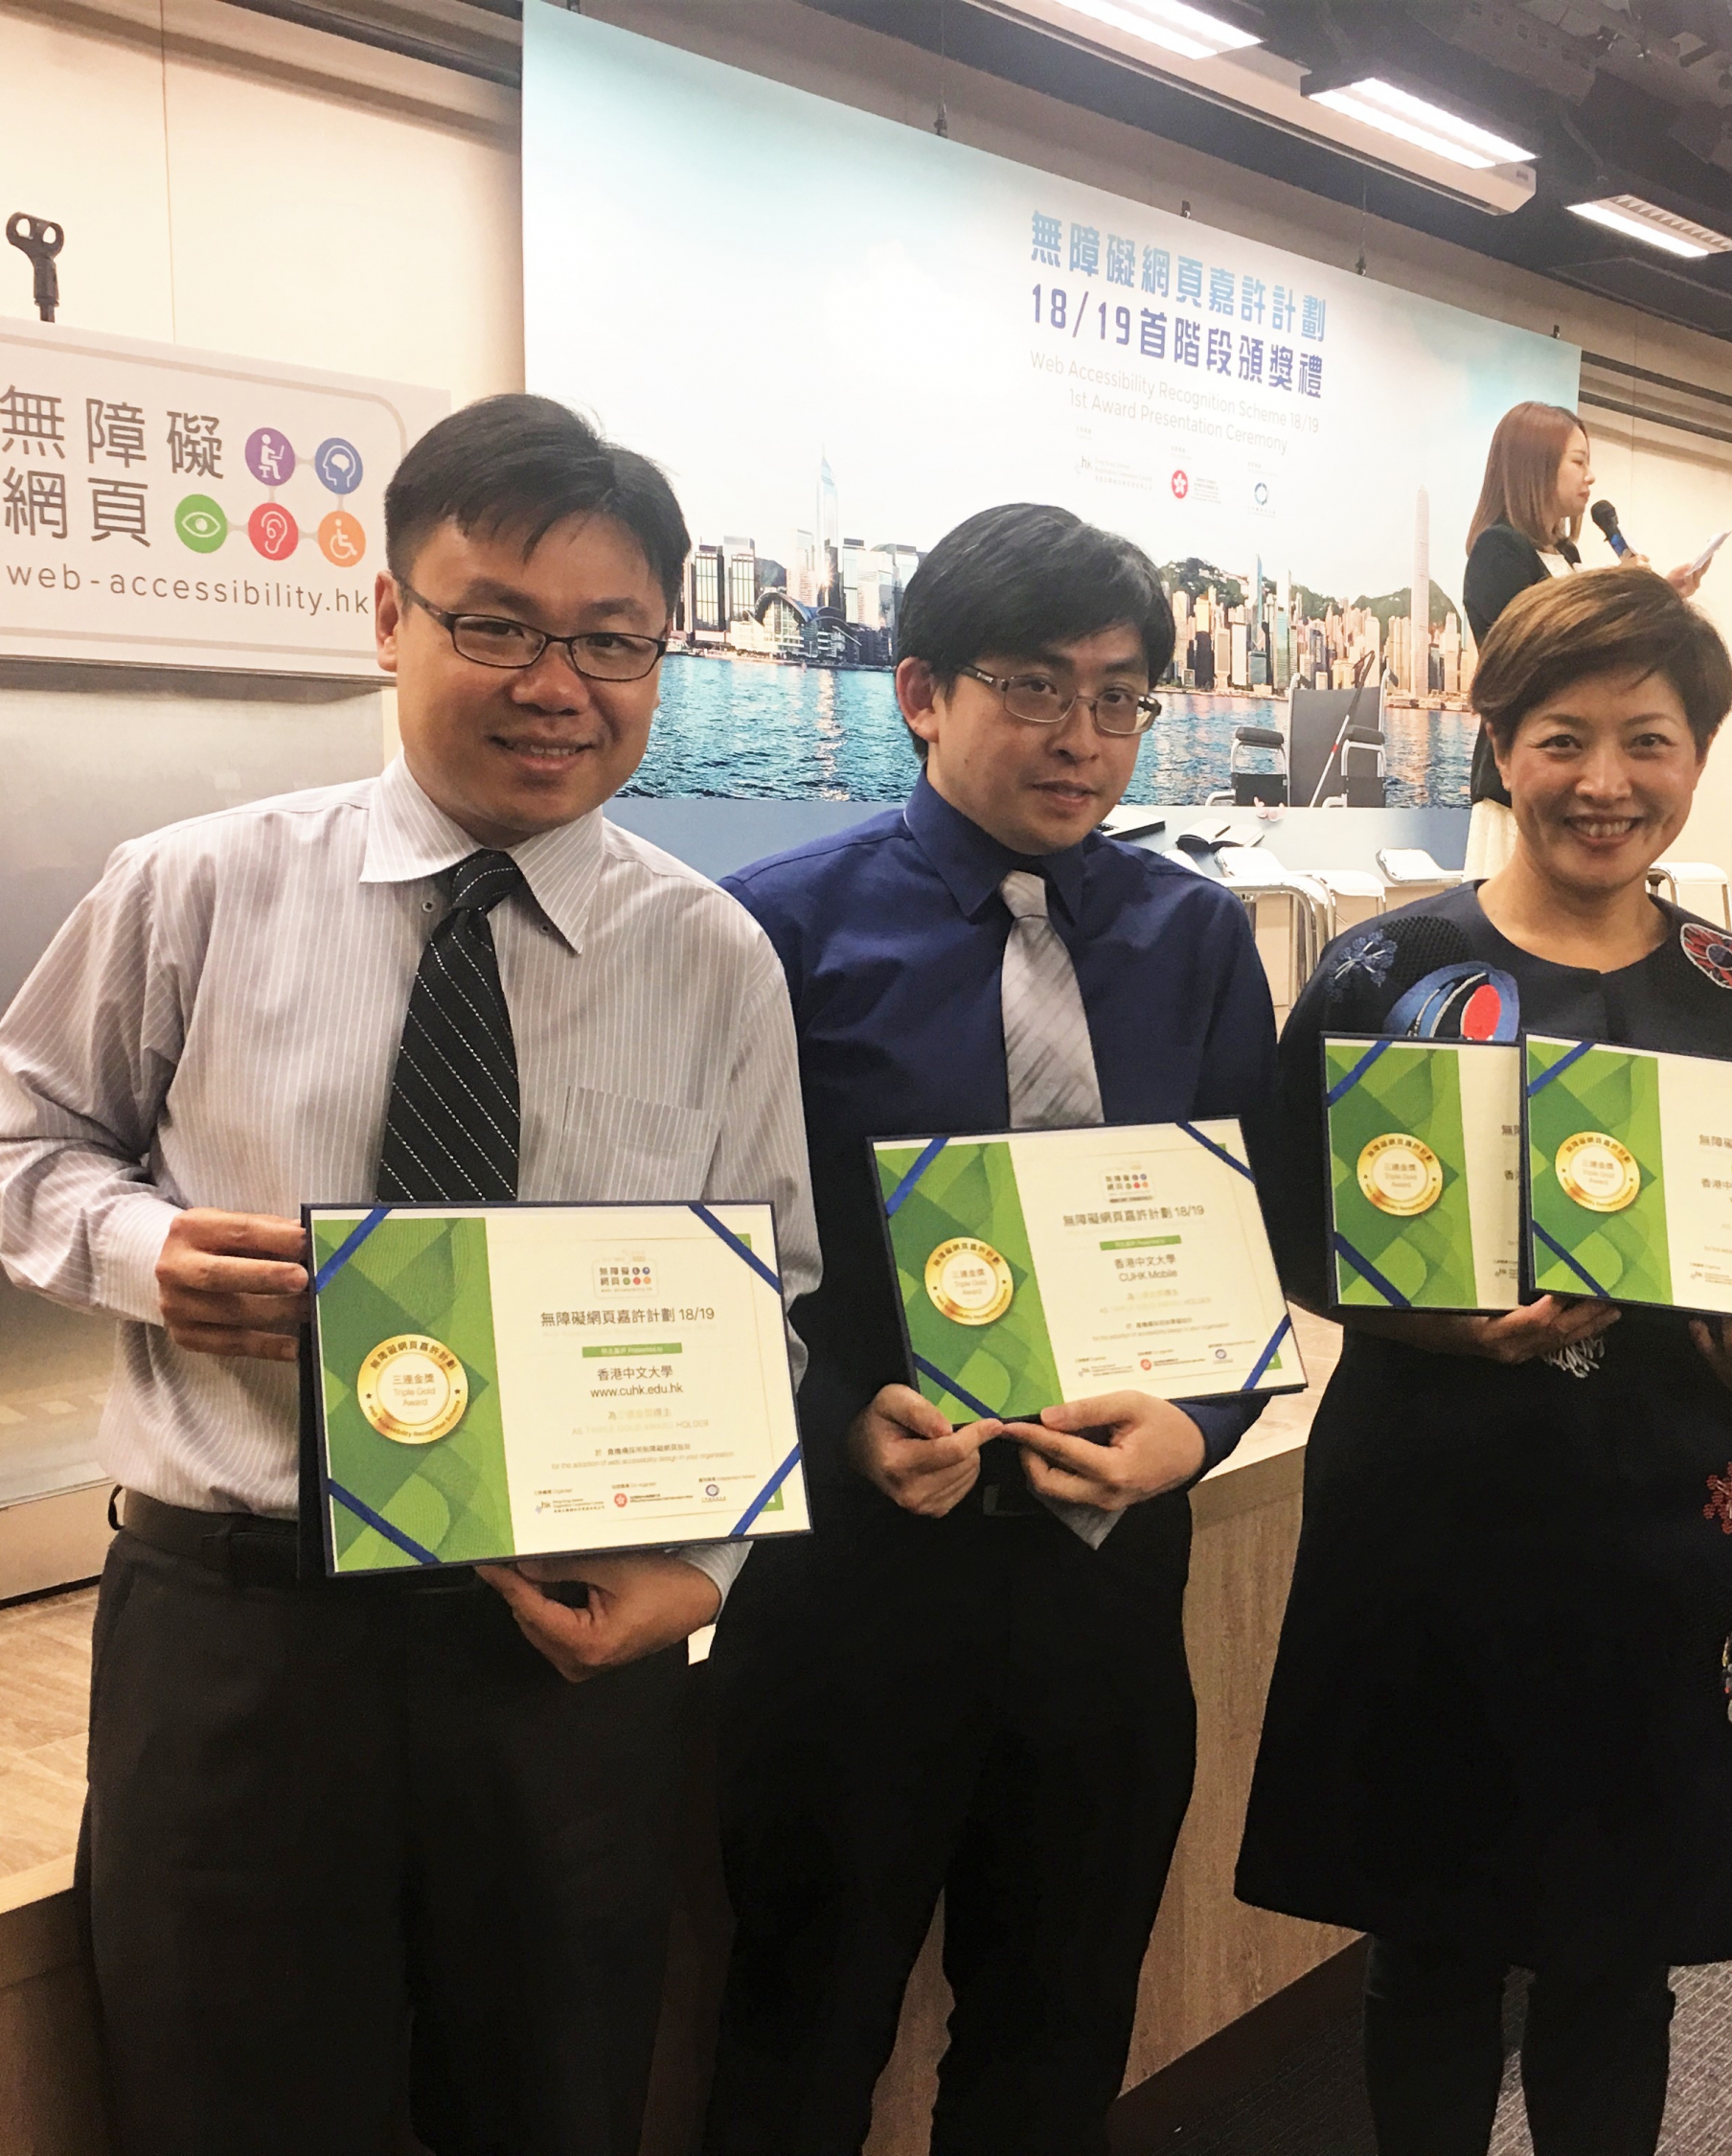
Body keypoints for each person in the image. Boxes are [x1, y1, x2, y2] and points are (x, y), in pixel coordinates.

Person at [0, 394, 819, 2156]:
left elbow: (772, 1292)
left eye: (610, 641)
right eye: (492, 623)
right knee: (229, 2111)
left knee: (554, 2107)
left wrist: (710, 1568)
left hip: (562, 1648)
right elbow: (12, 1140)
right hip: (245, 1637)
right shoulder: (194, 889)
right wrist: (147, 1253)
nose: (553, 683)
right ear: (387, 619)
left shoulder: (711, 957)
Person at [703, 504, 1279, 2156]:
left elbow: (1227, 1249)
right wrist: (835, 1427)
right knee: (803, 2027)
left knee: (1058, 2032)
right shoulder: (775, 936)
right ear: (919, 691)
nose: (1082, 738)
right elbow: (721, 1256)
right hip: (856, 1589)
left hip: (1105, 1587)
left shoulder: (1192, 940)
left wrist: (1203, 1429)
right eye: (1036, 687)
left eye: (1120, 697)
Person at [1236, 567, 1732, 2156]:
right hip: (1430, 1518)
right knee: (1429, 1947)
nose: (1607, 781)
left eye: (1651, 739)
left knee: (1621, 1965)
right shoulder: (1376, 978)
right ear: (1497, 744)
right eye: (1565, 737)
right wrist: (1433, 1322)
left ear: (1700, 755)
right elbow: (1293, 1237)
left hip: (1656, 1526)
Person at [1459, 401, 1708, 877]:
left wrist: (1655, 597)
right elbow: (1529, 656)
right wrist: (1619, 592)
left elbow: (1592, 653)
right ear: (1535, 466)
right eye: (1578, 461)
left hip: (1572, 764)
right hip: (1525, 778)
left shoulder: (1564, 552)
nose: (1590, 477)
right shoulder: (1500, 549)